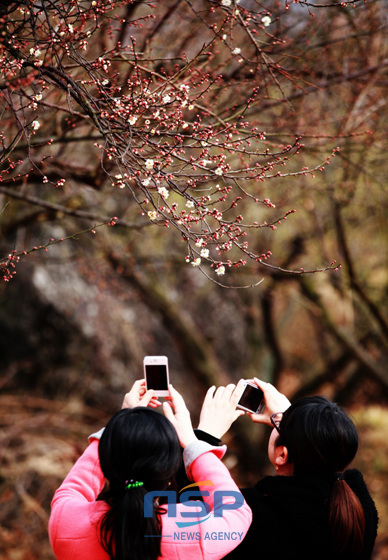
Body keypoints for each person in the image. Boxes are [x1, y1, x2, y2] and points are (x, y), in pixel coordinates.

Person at [48, 380, 252, 560]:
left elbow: (73, 489)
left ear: (106, 463)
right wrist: (192, 442)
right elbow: (236, 510)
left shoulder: (66, 525)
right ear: (171, 471)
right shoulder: (193, 531)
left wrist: (121, 424)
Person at [196, 379, 378, 560]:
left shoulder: (251, 517)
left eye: (280, 425)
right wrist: (300, 422)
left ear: (282, 456)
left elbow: (182, 510)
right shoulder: (360, 512)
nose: (278, 421)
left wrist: (205, 437)